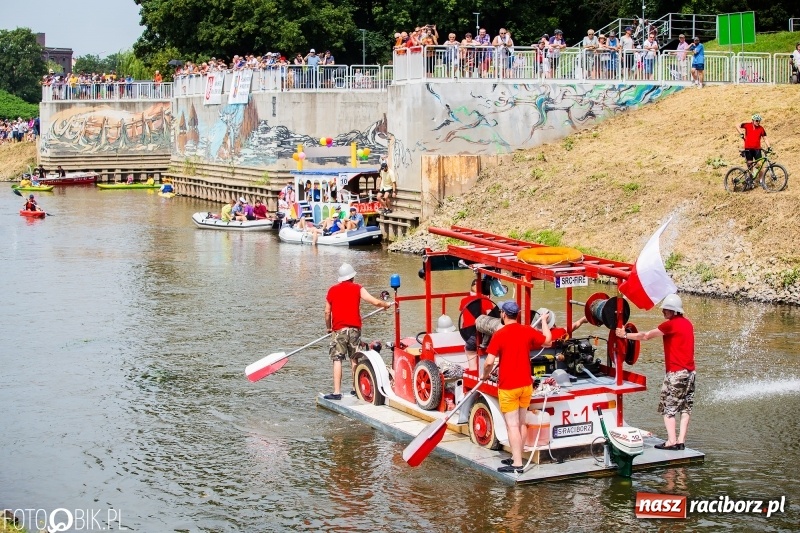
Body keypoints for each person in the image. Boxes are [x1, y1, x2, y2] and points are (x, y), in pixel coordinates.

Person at [615, 294, 695, 451]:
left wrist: (624, 335)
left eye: (666, 309)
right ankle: (681, 441)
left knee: (668, 409)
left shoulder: (670, 325)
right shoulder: (688, 324)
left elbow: (646, 336)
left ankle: (671, 441)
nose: (663, 311)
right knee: (686, 408)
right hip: (691, 373)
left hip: (676, 373)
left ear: (674, 311)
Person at [482, 301, 552, 473]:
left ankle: (517, 464)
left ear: (504, 314)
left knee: (512, 425)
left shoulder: (499, 334)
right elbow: (548, 341)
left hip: (509, 386)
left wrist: (485, 375)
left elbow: (489, 362)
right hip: (526, 385)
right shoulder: (527, 330)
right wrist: (544, 321)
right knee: (521, 423)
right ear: (517, 315)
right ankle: (516, 456)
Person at [323, 263, 393, 400]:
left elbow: (327, 312)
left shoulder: (332, 290)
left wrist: (328, 328)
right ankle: (356, 389)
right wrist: (385, 305)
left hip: (339, 330)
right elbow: (374, 302)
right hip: (354, 330)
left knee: (337, 359)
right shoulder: (358, 288)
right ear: (352, 277)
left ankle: (337, 392)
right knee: (354, 358)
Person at [736, 114, 771, 184]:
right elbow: (737, 125)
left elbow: (765, 138)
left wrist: (769, 147)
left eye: (759, 121)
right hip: (748, 149)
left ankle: (761, 181)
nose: (758, 122)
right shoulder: (747, 125)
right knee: (750, 166)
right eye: (757, 120)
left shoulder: (761, 128)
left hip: (757, 149)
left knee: (760, 165)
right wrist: (741, 133)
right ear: (753, 120)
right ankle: (751, 181)